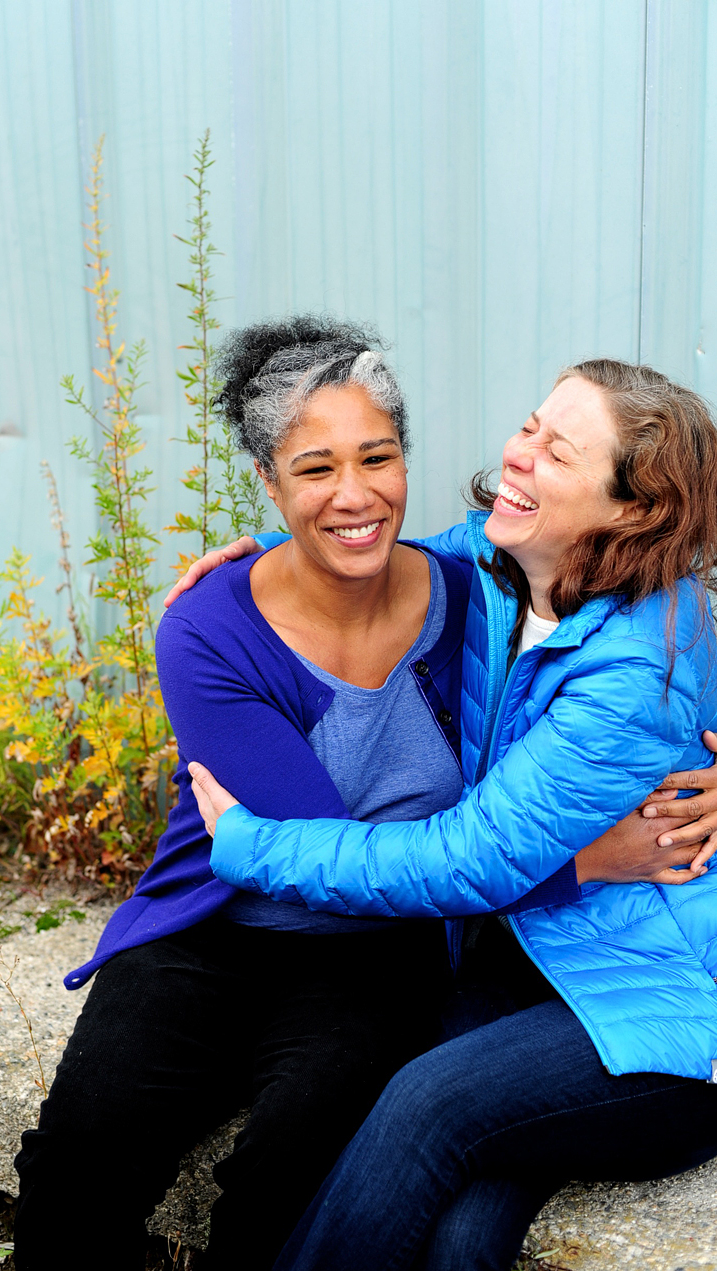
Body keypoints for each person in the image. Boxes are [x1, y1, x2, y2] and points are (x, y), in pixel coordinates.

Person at [187, 357, 717, 1270]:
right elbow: (382, 562)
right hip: (531, 956)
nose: (519, 454)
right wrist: (262, 579)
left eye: (558, 451)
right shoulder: (503, 565)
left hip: (663, 1012)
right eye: (529, 426)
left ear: (631, 511)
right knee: (464, 1227)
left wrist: (248, 844)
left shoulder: (633, 668)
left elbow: (468, 862)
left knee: (425, 1106)